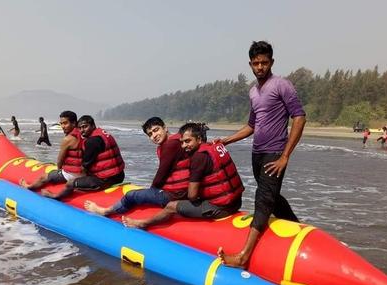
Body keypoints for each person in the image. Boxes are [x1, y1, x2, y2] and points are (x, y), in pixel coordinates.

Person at [215, 41, 306, 268]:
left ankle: (244, 256)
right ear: (250, 64)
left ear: (271, 62)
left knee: (263, 199)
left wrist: (285, 156)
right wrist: (226, 140)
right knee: (271, 197)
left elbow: (299, 117)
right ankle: (299, 229)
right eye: (256, 63)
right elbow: (251, 126)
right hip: (257, 153)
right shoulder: (253, 91)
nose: (260, 67)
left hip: (275, 153)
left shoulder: (282, 85)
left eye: (264, 62)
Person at [122, 122, 244, 229]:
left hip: (222, 208)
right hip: (236, 202)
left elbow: (192, 196)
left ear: (199, 139)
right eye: (182, 142)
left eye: (187, 141)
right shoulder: (215, 147)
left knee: (171, 206)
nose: (184, 146)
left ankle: (142, 223)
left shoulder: (198, 157)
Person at [84, 117, 188, 216]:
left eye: (156, 130)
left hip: (176, 194)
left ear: (165, 128)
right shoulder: (180, 141)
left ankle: (105, 211)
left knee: (131, 195)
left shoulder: (171, 145)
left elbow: (162, 172)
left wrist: (151, 192)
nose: (154, 135)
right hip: (182, 192)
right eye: (150, 134)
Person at [42, 115, 125, 200]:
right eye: (80, 128)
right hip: (119, 175)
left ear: (93, 125)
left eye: (85, 127)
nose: (82, 130)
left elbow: (85, 166)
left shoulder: (91, 141)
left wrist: (74, 173)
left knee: (70, 183)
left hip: (106, 179)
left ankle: (55, 196)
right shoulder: (103, 134)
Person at [20, 111, 82, 189]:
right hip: (83, 173)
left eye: (65, 123)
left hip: (71, 174)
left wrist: (59, 171)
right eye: (61, 123)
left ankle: (28, 187)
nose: (62, 126)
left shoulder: (67, 139)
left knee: (44, 177)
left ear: (74, 123)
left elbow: (60, 160)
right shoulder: (83, 134)